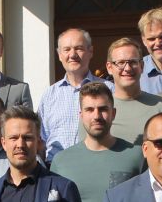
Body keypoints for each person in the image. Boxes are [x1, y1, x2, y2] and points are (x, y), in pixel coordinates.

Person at [37, 28, 114, 162]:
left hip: (98, 165)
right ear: (59, 55)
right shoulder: (49, 95)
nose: (72, 55)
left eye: (79, 48)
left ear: (90, 52)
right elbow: (41, 141)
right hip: (56, 171)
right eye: (67, 49)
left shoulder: (109, 89)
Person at [104, 37, 162, 146]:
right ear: (109, 68)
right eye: (121, 62)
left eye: (133, 62)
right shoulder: (98, 111)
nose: (127, 68)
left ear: (142, 66)